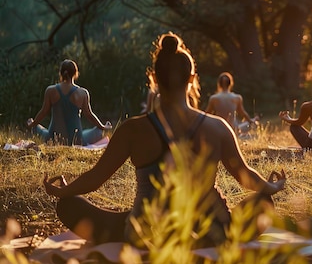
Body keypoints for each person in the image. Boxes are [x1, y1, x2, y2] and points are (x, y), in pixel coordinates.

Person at [43, 32, 286, 248]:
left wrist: (64, 191)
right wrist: (273, 187)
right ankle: (196, 238)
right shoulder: (217, 127)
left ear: (154, 79)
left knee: (68, 205)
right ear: (192, 79)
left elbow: (96, 178)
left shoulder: (133, 129)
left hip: (145, 231)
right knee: (264, 203)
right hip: (213, 230)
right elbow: (245, 175)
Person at [26, 59, 112, 146]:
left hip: (53, 139)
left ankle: (33, 125)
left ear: (60, 73)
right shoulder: (83, 93)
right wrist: (103, 127)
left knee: (34, 127)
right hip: (77, 140)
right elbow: (89, 114)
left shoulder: (50, 90)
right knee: (98, 131)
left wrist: (32, 124)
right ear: (76, 73)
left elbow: (43, 112)